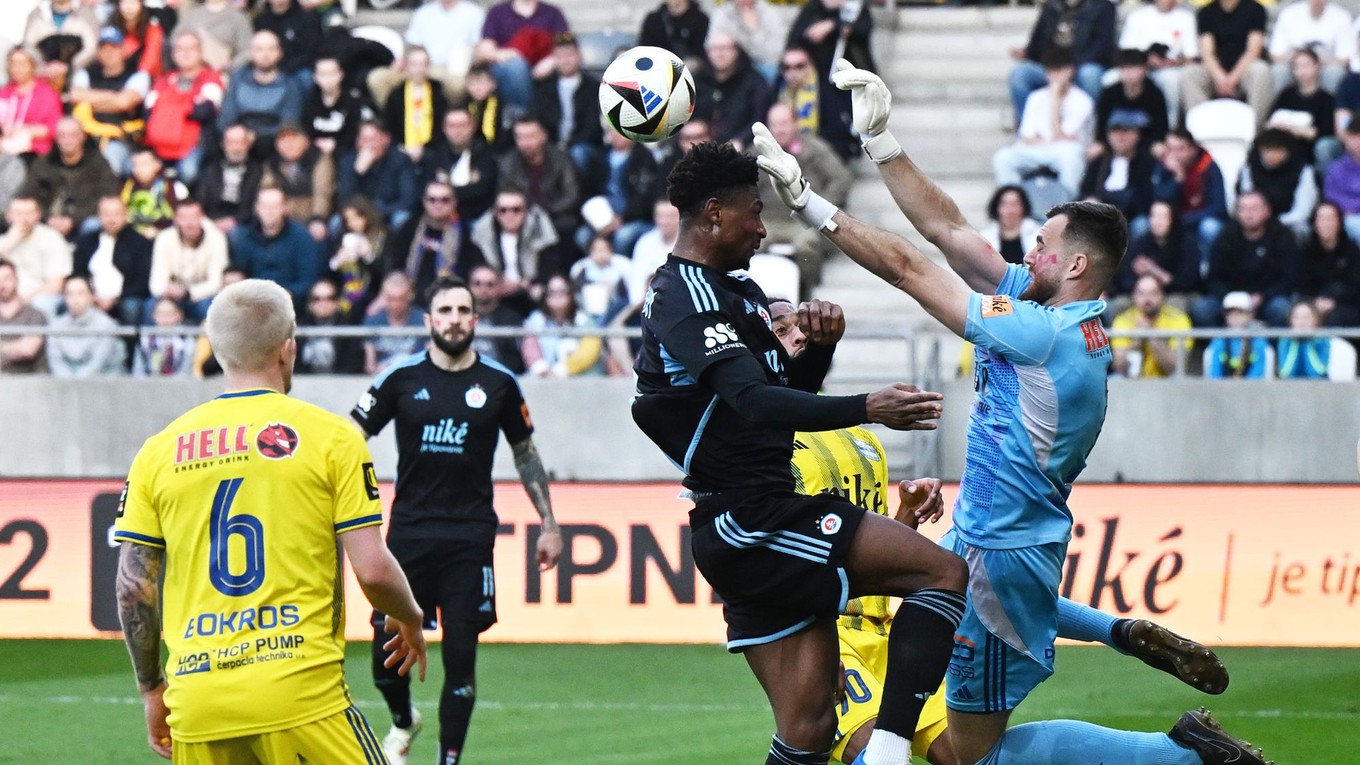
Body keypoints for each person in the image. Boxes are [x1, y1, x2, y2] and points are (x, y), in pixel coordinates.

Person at [758, 59, 1269, 765]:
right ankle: (1119, 633)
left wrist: (813, 205)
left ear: (1076, 266)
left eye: (1042, 245)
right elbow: (950, 228)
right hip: (995, 535)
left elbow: (913, 271)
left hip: (1001, 554)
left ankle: (1182, 753)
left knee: (972, 757)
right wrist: (881, 141)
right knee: (926, 605)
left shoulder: (1042, 332)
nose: (1027, 253)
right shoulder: (1059, 311)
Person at [763, 298, 1227, 765]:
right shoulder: (806, 433)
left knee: (936, 755)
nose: (799, 335)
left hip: (863, 631)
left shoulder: (852, 433)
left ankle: (1172, 735)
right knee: (970, 754)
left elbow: (842, 550)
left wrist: (902, 518)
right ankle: (1173, 738)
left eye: (798, 326)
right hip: (853, 630)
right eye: (782, 330)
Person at [632, 140, 969, 765]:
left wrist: (818, 346)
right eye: (753, 213)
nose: (763, 228)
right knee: (944, 573)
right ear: (712, 214)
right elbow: (753, 402)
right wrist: (867, 406)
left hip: (750, 517)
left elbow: (783, 396)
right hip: (751, 519)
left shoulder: (740, 292)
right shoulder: (683, 296)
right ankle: (893, 746)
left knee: (808, 729)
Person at [113, 278, 428, 762]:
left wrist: (152, 688)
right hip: (301, 696)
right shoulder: (332, 438)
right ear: (288, 349)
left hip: (199, 704)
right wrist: (408, 616)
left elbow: (133, 588)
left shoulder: (157, 452)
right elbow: (373, 570)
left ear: (217, 351)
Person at [352, 275, 562, 765]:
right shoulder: (398, 379)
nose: (453, 320)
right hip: (407, 536)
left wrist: (550, 523)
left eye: (462, 310)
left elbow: (525, 453)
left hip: (469, 538)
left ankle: (449, 761)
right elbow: (348, 436)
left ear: (475, 319)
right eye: (444, 311)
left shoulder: (499, 384)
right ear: (428, 321)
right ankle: (404, 721)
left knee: (461, 662)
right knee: (386, 664)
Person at [993, 49, 1095, 197]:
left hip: (1064, 150)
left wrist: (1054, 99)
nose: (1055, 76)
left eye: (1059, 70)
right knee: (1003, 157)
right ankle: (1016, 202)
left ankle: (1065, 207)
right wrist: (1043, 142)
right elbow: (1026, 135)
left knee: (1071, 158)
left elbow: (1060, 136)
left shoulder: (1082, 101)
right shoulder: (1036, 97)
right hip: (1038, 148)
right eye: (1051, 71)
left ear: (1070, 71)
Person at [1193, 190, 1299, 327]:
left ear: (1267, 211)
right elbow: (1213, 278)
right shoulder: (1226, 237)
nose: (1249, 214)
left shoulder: (1282, 237)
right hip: (1229, 299)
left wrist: (1262, 297)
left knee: (1281, 308)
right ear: (1237, 213)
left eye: (1254, 209)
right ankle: (1220, 346)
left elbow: (1289, 278)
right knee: (1202, 309)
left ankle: (1269, 348)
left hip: (1267, 300)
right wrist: (1232, 299)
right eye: (1243, 209)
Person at [1005, 0, 1116, 123]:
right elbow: (1037, 42)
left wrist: (1071, 68)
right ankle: (1028, 128)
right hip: (1052, 66)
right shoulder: (1051, 6)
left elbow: (1103, 47)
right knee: (1019, 74)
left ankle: (1092, 128)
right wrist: (1026, 52)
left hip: (1083, 66)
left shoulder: (1103, 6)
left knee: (1090, 75)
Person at [143, 31, 225, 185]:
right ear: (173, 54)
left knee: (189, 172)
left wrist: (168, 105)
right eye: (180, 49)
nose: (185, 53)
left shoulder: (210, 78)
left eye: (191, 49)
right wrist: (187, 104)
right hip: (159, 145)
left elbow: (205, 111)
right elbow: (148, 111)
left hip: (196, 144)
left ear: (200, 53)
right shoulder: (163, 80)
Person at [69, 26, 153, 177]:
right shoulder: (87, 73)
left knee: (109, 163)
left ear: (122, 50)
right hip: (86, 137)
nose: (108, 53)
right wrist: (113, 98)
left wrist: (90, 100)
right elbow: (75, 95)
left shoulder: (138, 75)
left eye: (113, 48)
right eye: (103, 48)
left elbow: (124, 103)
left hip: (121, 140)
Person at [20, 117, 120, 240]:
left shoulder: (98, 164)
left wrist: (73, 220)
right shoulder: (43, 163)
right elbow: (29, 194)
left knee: (94, 225)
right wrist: (47, 218)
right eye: (62, 136)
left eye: (73, 135)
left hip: (84, 221)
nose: (68, 140)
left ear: (82, 137)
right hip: (47, 221)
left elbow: (107, 195)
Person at [384, 179, 478, 303]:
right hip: (409, 301)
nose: (438, 205)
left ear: (454, 202)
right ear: (424, 201)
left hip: (449, 300)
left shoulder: (464, 233)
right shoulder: (410, 227)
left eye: (445, 200)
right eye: (432, 199)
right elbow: (394, 263)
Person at [1179, 0, 1272, 126]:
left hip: (1244, 71)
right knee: (1189, 74)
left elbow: (1253, 50)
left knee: (1261, 71)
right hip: (1215, 72)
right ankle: (1202, 128)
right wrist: (1221, 78)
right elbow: (1207, 53)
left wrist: (1232, 79)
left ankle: (1254, 130)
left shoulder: (1255, 9)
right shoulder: (1206, 12)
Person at [227, 186, 324, 306]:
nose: (269, 212)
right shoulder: (244, 237)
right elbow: (238, 274)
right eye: (265, 206)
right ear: (257, 208)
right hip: (252, 304)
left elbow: (308, 279)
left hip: (292, 304)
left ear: (284, 208)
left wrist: (285, 294)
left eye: (274, 207)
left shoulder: (302, 237)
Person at [73, 195, 153, 326]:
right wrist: (92, 296)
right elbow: (78, 273)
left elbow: (142, 281)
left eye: (116, 214)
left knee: (131, 307)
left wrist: (115, 299)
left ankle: (130, 346)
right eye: (106, 214)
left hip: (124, 297)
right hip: (91, 296)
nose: (111, 219)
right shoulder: (86, 242)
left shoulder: (139, 243)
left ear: (125, 215)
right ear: (98, 216)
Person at [217, 30, 305, 147]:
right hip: (238, 141)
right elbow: (227, 117)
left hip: (273, 144)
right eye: (259, 49)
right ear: (250, 53)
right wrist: (240, 135)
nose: (265, 54)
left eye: (271, 49)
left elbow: (289, 124)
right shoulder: (238, 79)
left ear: (280, 53)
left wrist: (256, 136)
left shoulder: (290, 84)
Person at [1118, 0, 1197, 128]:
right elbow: (1125, 51)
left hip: (1171, 68)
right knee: (1110, 78)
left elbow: (1192, 56)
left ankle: (1170, 127)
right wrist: (1146, 61)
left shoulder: (1186, 18)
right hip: (1137, 64)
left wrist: (1172, 62)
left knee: (1169, 79)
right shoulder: (1137, 16)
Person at [149, 199, 229, 322]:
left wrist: (188, 293)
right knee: (151, 306)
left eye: (193, 217)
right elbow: (156, 283)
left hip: (202, 296)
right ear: (176, 219)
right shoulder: (164, 238)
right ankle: (147, 342)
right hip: (172, 296)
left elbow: (216, 283)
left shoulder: (217, 238)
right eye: (183, 217)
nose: (188, 223)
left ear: (202, 217)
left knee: (210, 306)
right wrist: (167, 290)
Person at [1237, 127, 1318, 241]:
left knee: (1300, 230)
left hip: (1289, 223)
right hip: (1256, 223)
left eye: (1278, 150)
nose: (1272, 155)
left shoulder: (1303, 171)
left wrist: (1275, 224)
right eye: (1267, 150)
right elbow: (1246, 201)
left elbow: (1302, 211)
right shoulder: (1249, 169)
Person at [0, 195, 73, 317]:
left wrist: (23, 301)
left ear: (38, 215)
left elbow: (55, 284)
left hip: (41, 298)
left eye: (28, 213)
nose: (23, 219)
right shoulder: (3, 242)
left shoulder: (52, 239)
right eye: (18, 213)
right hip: (5, 297)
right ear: (8, 216)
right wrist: (8, 245)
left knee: (42, 304)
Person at [521, 272, 607, 376]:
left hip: (580, 379)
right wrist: (541, 369)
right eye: (552, 292)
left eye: (562, 291)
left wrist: (564, 369)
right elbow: (530, 347)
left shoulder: (585, 320)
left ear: (571, 294)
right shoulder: (535, 320)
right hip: (544, 379)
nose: (557, 296)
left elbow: (589, 351)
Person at [1110, 274, 1194, 378]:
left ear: (1162, 296)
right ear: (1134, 296)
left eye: (1153, 293)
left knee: (1178, 376)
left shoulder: (1179, 320)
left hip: (1167, 381)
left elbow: (1177, 367)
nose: (1147, 299)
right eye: (1141, 293)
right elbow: (1120, 367)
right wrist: (1136, 341)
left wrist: (1152, 336)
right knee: (1116, 378)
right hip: (1132, 379)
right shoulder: (1123, 320)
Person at [381, 46, 451, 165]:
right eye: (414, 64)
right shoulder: (396, 95)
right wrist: (403, 148)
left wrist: (423, 147)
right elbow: (390, 126)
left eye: (423, 64)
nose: (419, 69)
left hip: (432, 150)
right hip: (402, 149)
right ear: (406, 66)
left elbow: (442, 126)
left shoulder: (438, 92)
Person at [46, 273, 125, 376]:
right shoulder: (55, 325)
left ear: (92, 296)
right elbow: (56, 362)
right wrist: (68, 383)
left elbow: (98, 363)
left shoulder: (106, 325)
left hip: (102, 383)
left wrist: (77, 384)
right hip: (64, 385)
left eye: (80, 293)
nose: (75, 299)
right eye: (69, 294)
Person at [195, 123, 268, 235]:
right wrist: (212, 222)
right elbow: (201, 199)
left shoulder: (257, 171)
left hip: (244, 221)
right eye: (231, 143)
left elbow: (256, 204)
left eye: (240, 143)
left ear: (249, 144)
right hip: (212, 219)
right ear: (223, 144)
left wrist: (236, 220)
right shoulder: (210, 169)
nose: (236, 148)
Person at [1298, 201, 1360, 327]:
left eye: (1330, 219)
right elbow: (1300, 283)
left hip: (1345, 305)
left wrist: (1334, 302)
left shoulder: (1352, 251)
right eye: (1321, 219)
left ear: (1339, 222)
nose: (1326, 224)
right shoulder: (1305, 252)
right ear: (1314, 223)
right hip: (1312, 303)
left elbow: (1355, 286)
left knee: (1336, 317)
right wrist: (1315, 301)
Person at [296, 276, 365, 374]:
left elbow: (353, 365)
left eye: (330, 298)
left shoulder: (349, 330)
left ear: (337, 302)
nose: (323, 303)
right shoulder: (299, 329)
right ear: (310, 304)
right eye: (316, 299)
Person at [467, 263, 526, 373]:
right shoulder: (458, 316)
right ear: (469, 286)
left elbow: (515, 362)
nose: (483, 289)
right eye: (477, 283)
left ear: (499, 287)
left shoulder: (511, 319)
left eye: (489, 284)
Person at [363, 271, 425, 375]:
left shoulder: (422, 320)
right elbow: (370, 366)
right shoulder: (373, 321)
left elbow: (429, 360)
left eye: (400, 299)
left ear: (409, 296)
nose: (395, 305)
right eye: (390, 299)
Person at [1204, 290, 1270, 378]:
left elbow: (1259, 370)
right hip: (1222, 389)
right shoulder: (1219, 340)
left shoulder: (1258, 340)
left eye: (1240, 314)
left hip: (1252, 390)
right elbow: (1214, 370)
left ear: (1250, 315)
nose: (1235, 318)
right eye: (1231, 314)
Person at [0, 258, 48, 374]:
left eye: (7, 279)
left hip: (29, 383)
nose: (2, 285)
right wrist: (14, 347)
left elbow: (28, 350)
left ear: (16, 280)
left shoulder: (34, 314)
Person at [979, 185, 1040, 266]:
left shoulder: (1038, 236)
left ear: (1023, 207)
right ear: (996, 208)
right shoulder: (985, 238)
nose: (1010, 210)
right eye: (1004, 204)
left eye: (1014, 204)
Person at [1276, 299, 1330, 378]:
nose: (1301, 322)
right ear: (1291, 321)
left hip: (1317, 388)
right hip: (1291, 388)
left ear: (1316, 320)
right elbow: (1286, 374)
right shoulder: (1285, 341)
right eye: (1296, 317)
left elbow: (1317, 374)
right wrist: (1295, 343)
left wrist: (1308, 342)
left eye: (1306, 317)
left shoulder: (1323, 340)